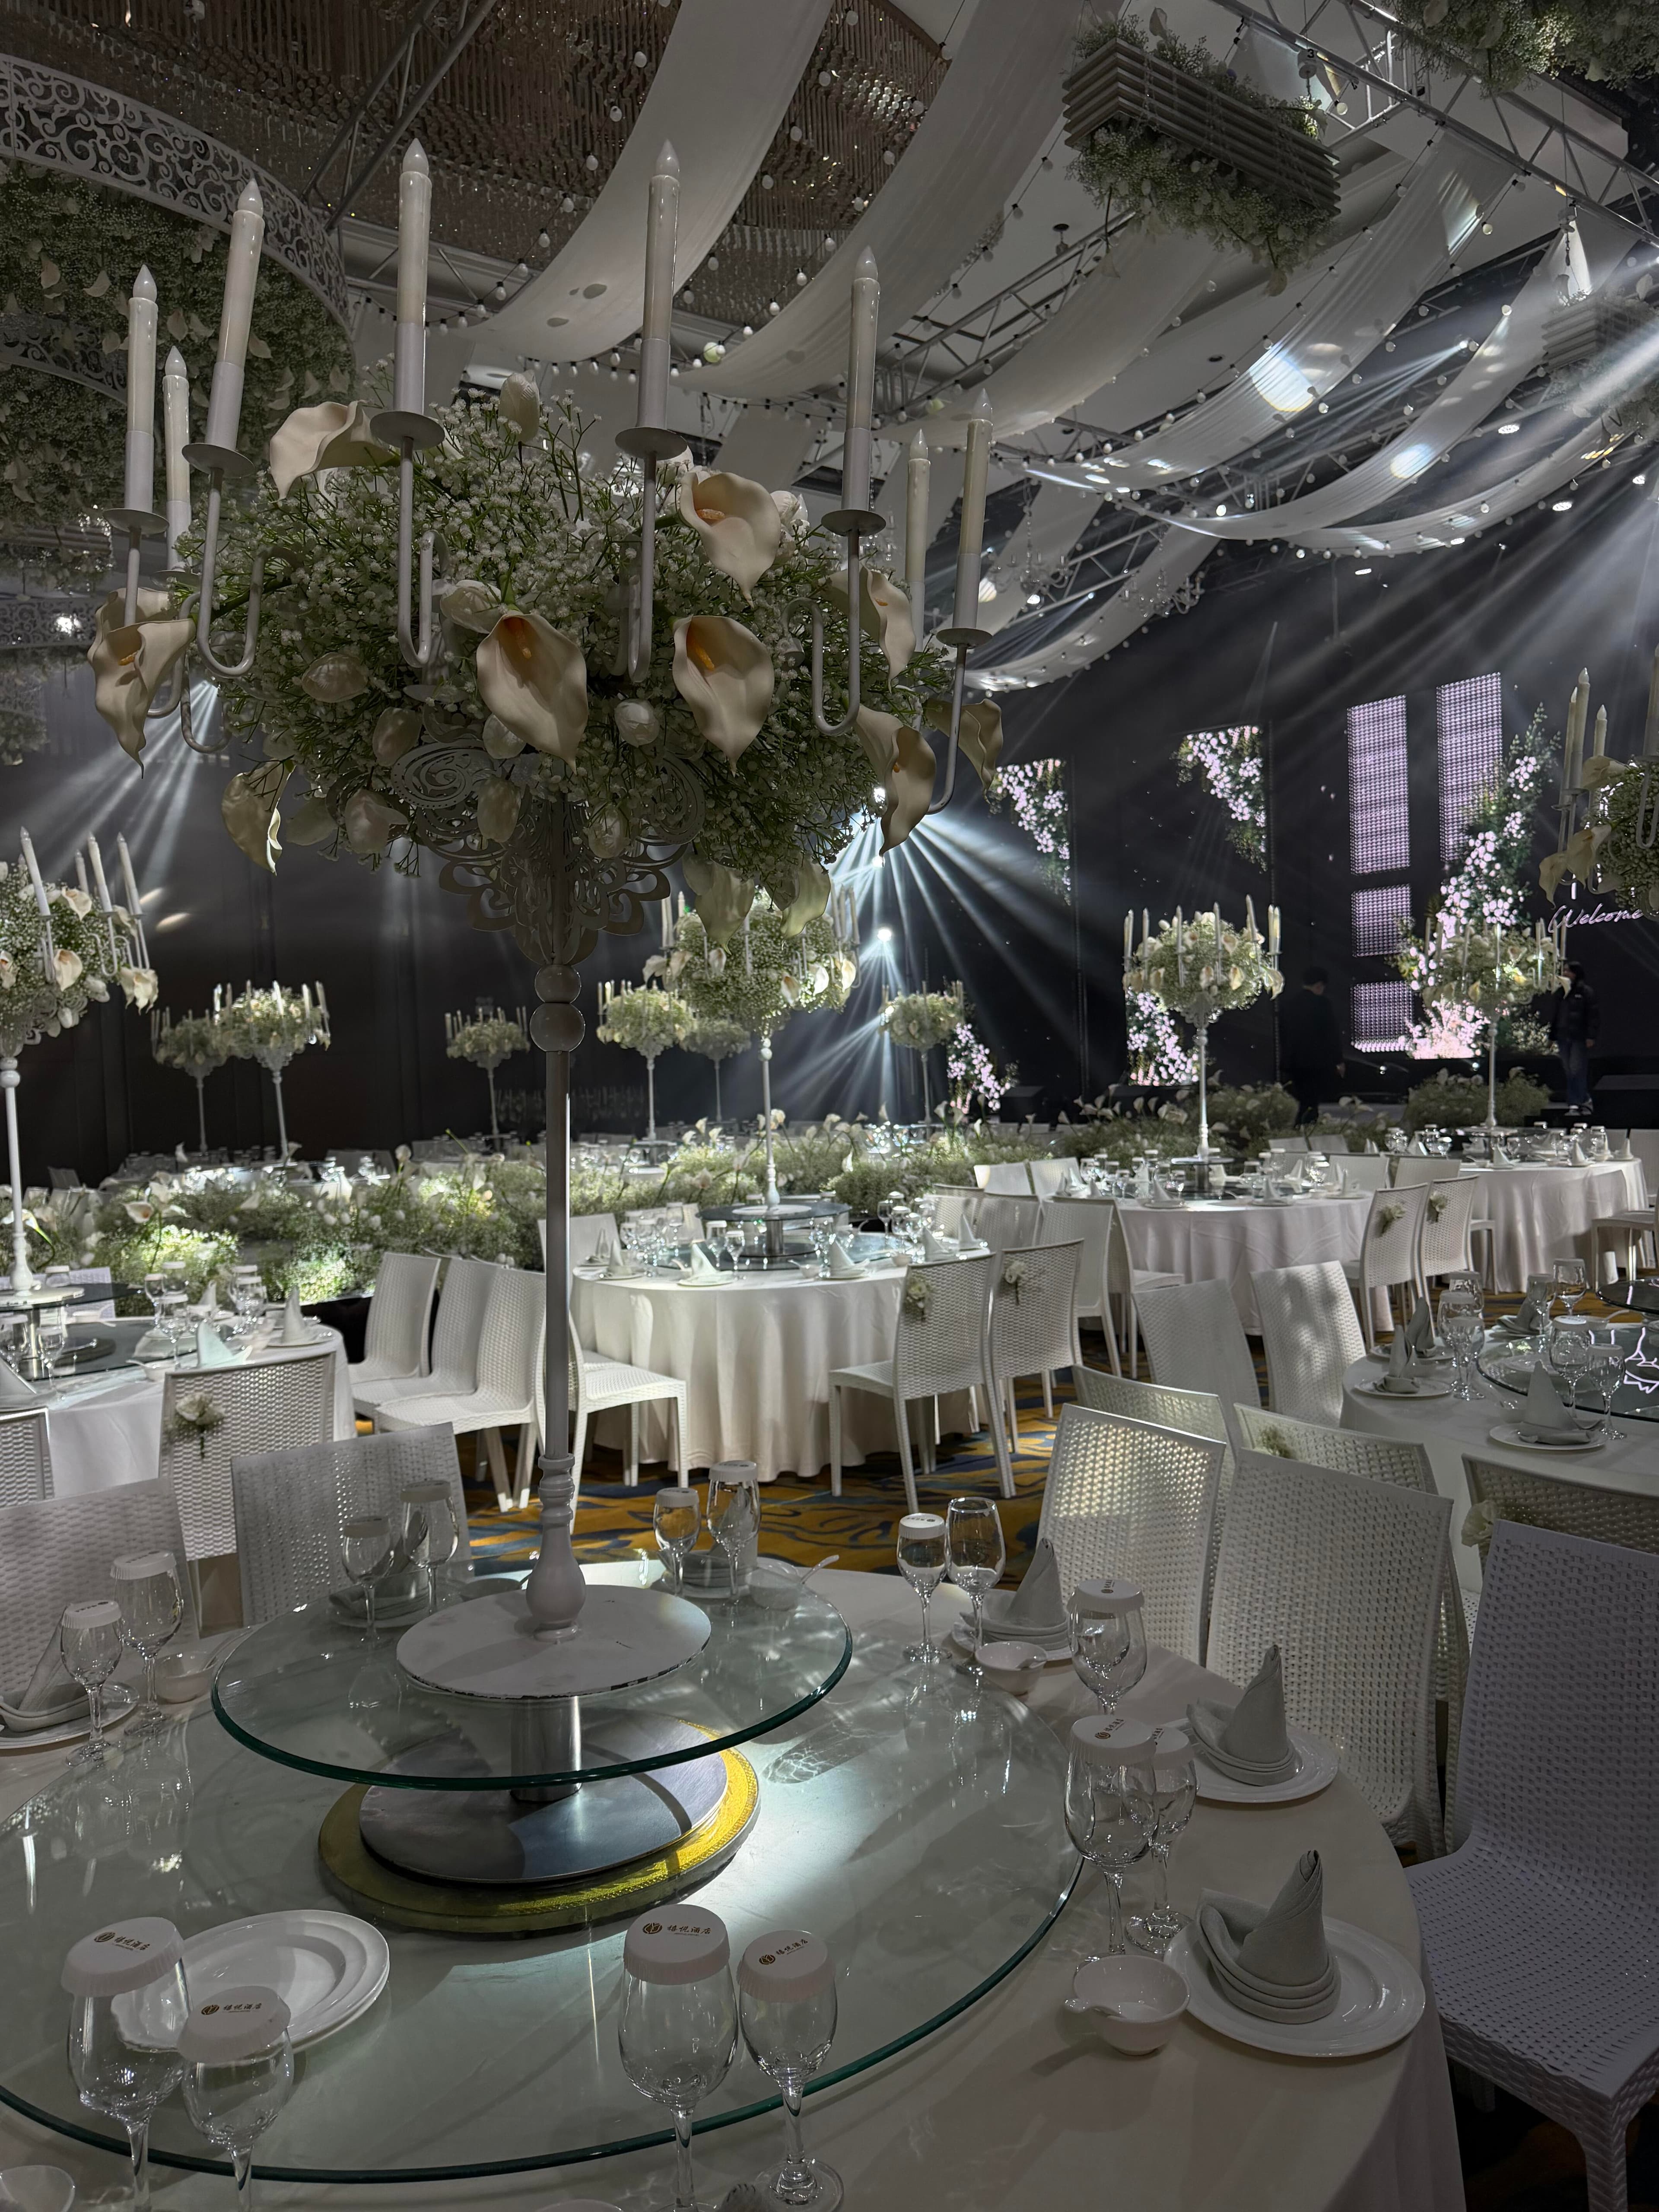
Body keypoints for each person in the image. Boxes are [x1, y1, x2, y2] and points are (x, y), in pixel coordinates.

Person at [1278, 966, 1345, 1126]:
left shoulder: (1289, 1005)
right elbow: (1331, 1034)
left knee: (1303, 1099)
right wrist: (1339, 1060)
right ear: (1319, 986)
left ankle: (1301, 1128)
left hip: (1294, 1063)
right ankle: (1306, 1131)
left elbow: (1283, 1034)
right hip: (1317, 1063)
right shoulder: (1322, 1004)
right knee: (1312, 1101)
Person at [1550, 961, 1599, 1111]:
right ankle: (1578, 1098)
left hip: (1578, 1036)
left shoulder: (1585, 992)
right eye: (1564, 971)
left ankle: (1577, 1100)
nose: (1565, 974)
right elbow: (1556, 1016)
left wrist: (1591, 1036)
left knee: (1576, 1067)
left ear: (1576, 974)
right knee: (1568, 1069)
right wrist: (1552, 1036)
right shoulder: (1561, 993)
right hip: (1563, 1036)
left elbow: (1592, 1016)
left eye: (1568, 971)